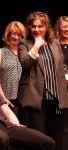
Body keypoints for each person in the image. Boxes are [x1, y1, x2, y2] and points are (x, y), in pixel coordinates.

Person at [17, 11, 68, 138]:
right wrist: (36, 47)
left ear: (46, 27)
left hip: (56, 97)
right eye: (33, 26)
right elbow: (25, 64)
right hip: (37, 99)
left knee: (57, 135)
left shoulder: (55, 43)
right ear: (29, 27)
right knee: (40, 136)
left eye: (40, 26)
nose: (37, 29)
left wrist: (66, 77)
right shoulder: (24, 43)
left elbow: (61, 65)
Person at [0, 21, 26, 116]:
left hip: (26, 100)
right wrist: (3, 99)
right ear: (8, 35)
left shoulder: (26, 53)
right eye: (13, 34)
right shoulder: (0, 52)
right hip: (8, 100)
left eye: (19, 34)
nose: (16, 37)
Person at [53, 15, 68, 150]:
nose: (67, 29)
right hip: (60, 89)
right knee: (62, 125)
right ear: (59, 28)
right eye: (65, 26)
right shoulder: (54, 44)